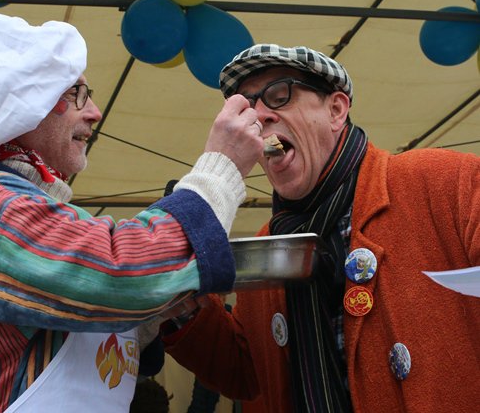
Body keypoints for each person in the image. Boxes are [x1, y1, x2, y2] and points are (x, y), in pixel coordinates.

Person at [162, 44, 480, 413]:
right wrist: (184, 304)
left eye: (279, 95)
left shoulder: (442, 181)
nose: (258, 116)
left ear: (336, 109)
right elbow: (249, 374)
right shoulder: (269, 244)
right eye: (246, 106)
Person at [0, 12, 265, 413]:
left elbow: (71, 332)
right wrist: (220, 168)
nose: (95, 112)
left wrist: (162, 307)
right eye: (77, 93)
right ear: (24, 104)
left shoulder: (28, 205)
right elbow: (122, 269)